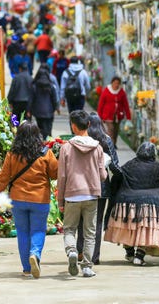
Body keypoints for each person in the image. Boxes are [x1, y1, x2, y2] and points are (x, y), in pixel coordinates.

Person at [0, 121, 58, 278]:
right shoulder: (46, 153)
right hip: (40, 199)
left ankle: (27, 268)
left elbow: (3, 177)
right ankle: (35, 254)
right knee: (38, 230)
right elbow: (55, 174)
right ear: (37, 135)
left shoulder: (12, 154)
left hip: (18, 199)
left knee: (22, 232)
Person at [57, 110, 107, 278]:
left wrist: (60, 202)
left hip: (71, 195)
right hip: (92, 195)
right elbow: (103, 176)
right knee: (90, 233)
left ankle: (72, 251)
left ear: (73, 126)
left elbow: (62, 176)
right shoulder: (98, 147)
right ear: (88, 125)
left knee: (70, 229)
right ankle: (87, 267)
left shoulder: (66, 148)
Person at [104, 142, 159, 266]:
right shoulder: (157, 167)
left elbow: (118, 178)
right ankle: (139, 255)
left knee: (128, 228)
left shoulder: (129, 165)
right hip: (149, 205)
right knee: (144, 229)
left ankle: (129, 253)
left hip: (126, 203)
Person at [76, 113, 119, 265]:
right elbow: (114, 165)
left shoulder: (81, 141)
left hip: (82, 185)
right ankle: (94, 256)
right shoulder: (106, 140)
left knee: (82, 219)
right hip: (101, 187)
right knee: (97, 221)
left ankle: (80, 251)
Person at [97, 76, 131, 146]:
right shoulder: (106, 90)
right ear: (112, 83)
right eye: (115, 83)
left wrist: (128, 117)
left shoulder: (121, 92)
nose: (116, 85)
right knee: (111, 130)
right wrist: (99, 116)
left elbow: (126, 105)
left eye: (118, 83)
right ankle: (111, 144)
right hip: (107, 115)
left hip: (118, 116)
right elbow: (101, 104)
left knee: (116, 131)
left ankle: (114, 143)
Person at [28, 67, 59, 139]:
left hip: (38, 112)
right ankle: (49, 143)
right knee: (48, 129)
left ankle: (42, 143)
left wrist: (29, 110)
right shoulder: (51, 86)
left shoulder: (34, 86)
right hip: (49, 111)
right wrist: (55, 108)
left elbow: (31, 99)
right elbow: (54, 99)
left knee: (41, 129)